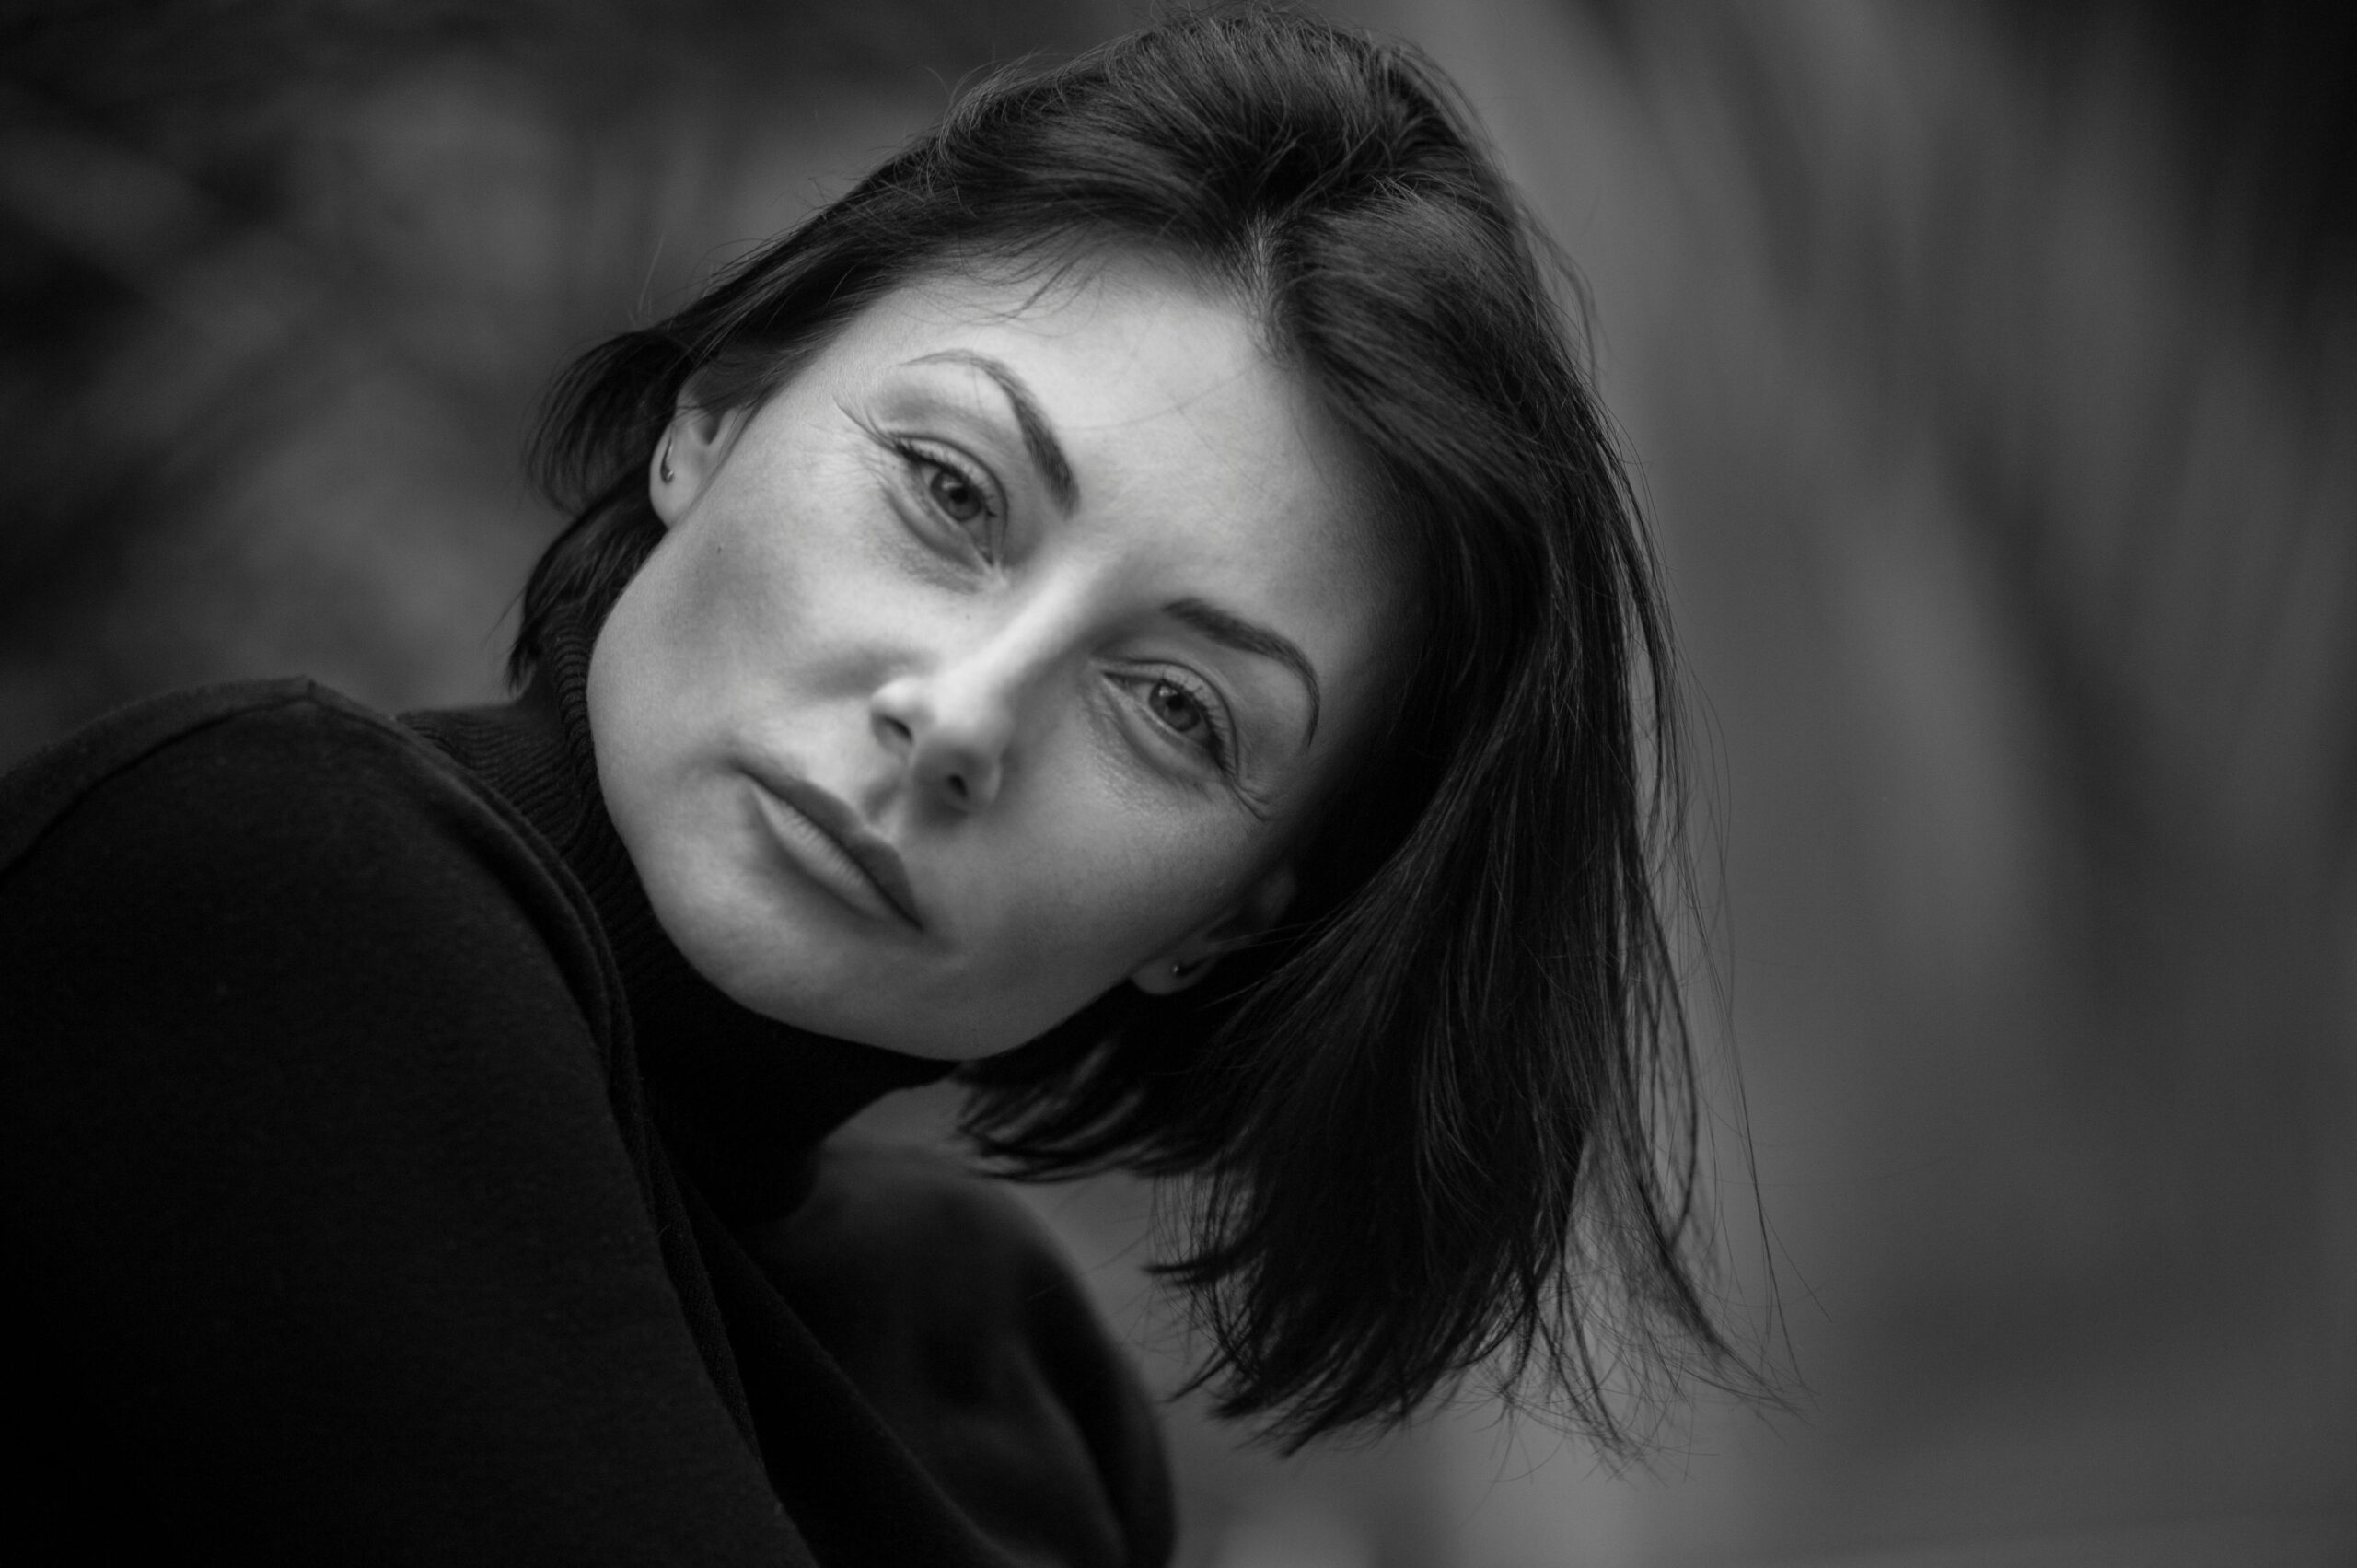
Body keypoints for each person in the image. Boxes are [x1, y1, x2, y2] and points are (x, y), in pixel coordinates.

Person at [0, 7, 1746, 1562]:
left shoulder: (1012, 1374)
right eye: (951, 494)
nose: (962, 715)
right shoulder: (261, 880)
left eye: (1174, 709)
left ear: (1234, 919)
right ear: (717, 417)